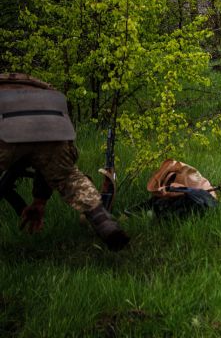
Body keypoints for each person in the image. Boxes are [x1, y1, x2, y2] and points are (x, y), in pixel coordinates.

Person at [0, 73, 129, 249]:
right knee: (69, 177)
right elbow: (46, 161)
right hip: (51, 119)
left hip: (6, 120)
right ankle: (104, 223)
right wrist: (40, 200)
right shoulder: (35, 85)